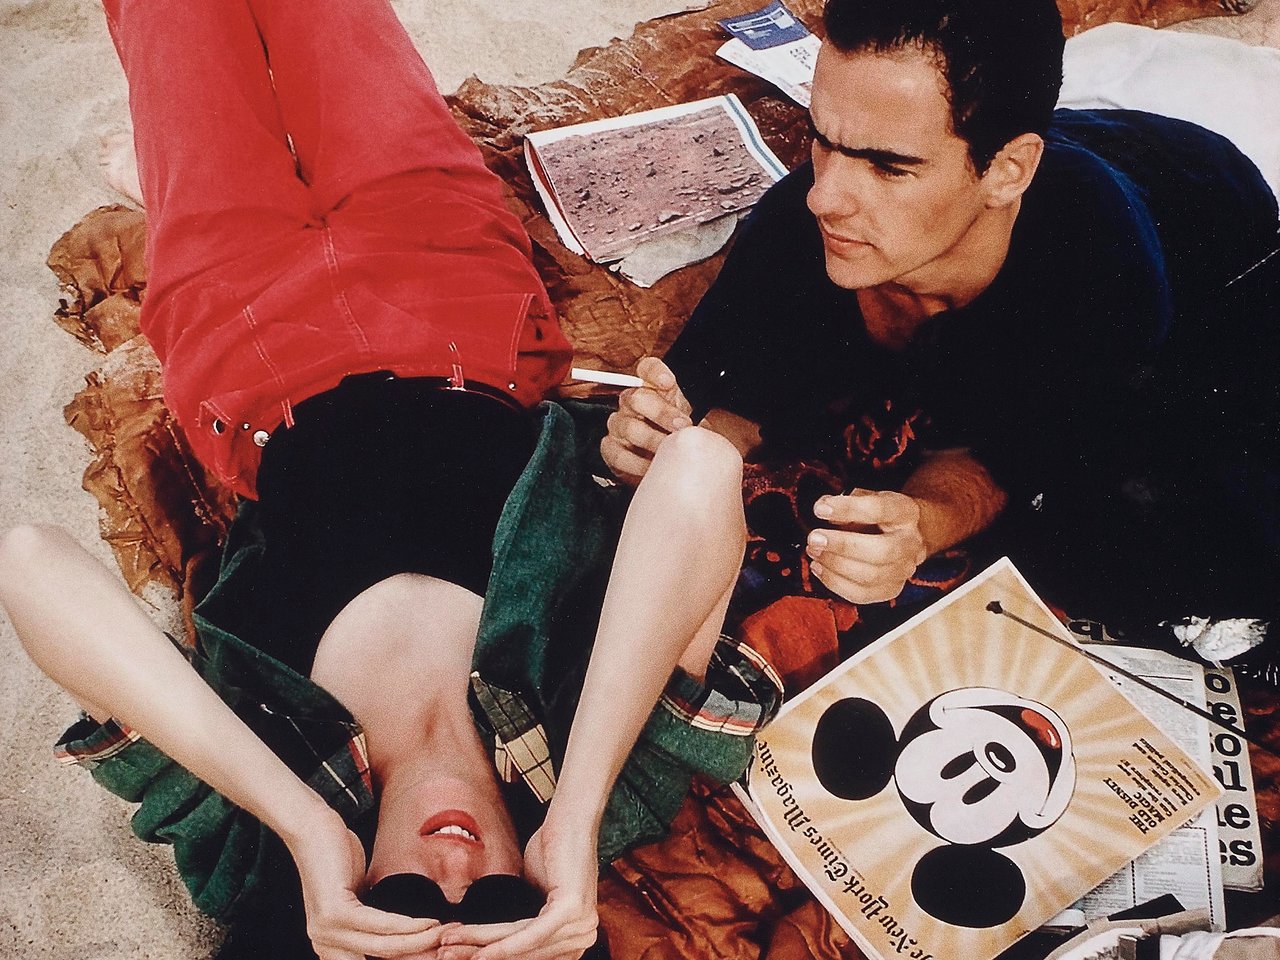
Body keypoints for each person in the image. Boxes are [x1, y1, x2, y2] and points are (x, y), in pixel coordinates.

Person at [0, 1, 781, 958]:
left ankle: (167, 179)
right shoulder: (605, 789)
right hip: (459, 301)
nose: (455, 868)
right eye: (493, 910)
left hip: (245, 341)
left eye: (408, 907)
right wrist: (574, 816)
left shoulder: (262, 849)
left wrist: (304, 826)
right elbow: (700, 470)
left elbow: (30, 565)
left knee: (176, 25)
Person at [603, 0, 1280, 636]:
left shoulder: (1100, 273)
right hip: (1025, 157)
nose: (824, 198)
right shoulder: (793, 222)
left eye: (887, 167)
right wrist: (659, 442)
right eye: (823, 139)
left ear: (1008, 171)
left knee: (1148, 541)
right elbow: (729, 403)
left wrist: (920, 526)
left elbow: (1011, 460)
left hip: (1210, 220)